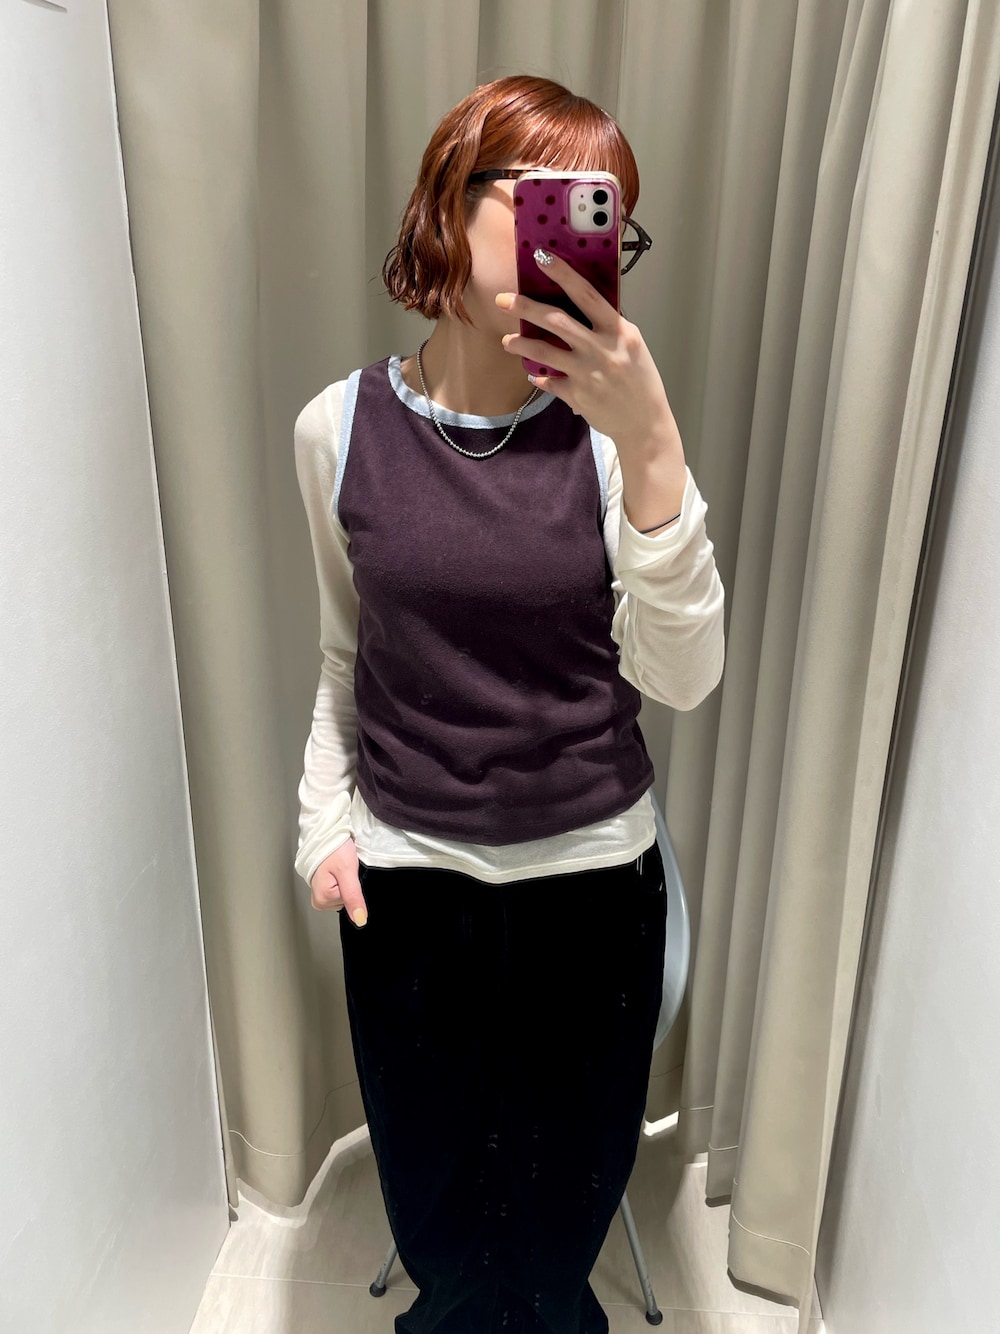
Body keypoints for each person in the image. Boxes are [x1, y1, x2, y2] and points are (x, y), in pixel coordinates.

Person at [293, 74, 725, 1334]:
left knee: (553, 1239)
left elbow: (682, 677)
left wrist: (653, 447)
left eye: (602, 219)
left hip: (590, 887)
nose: (575, 237)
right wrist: (322, 826)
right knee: (438, 1224)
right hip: (407, 887)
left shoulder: (609, 441)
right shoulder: (336, 428)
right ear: (448, 201)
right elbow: (343, 655)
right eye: (545, 200)